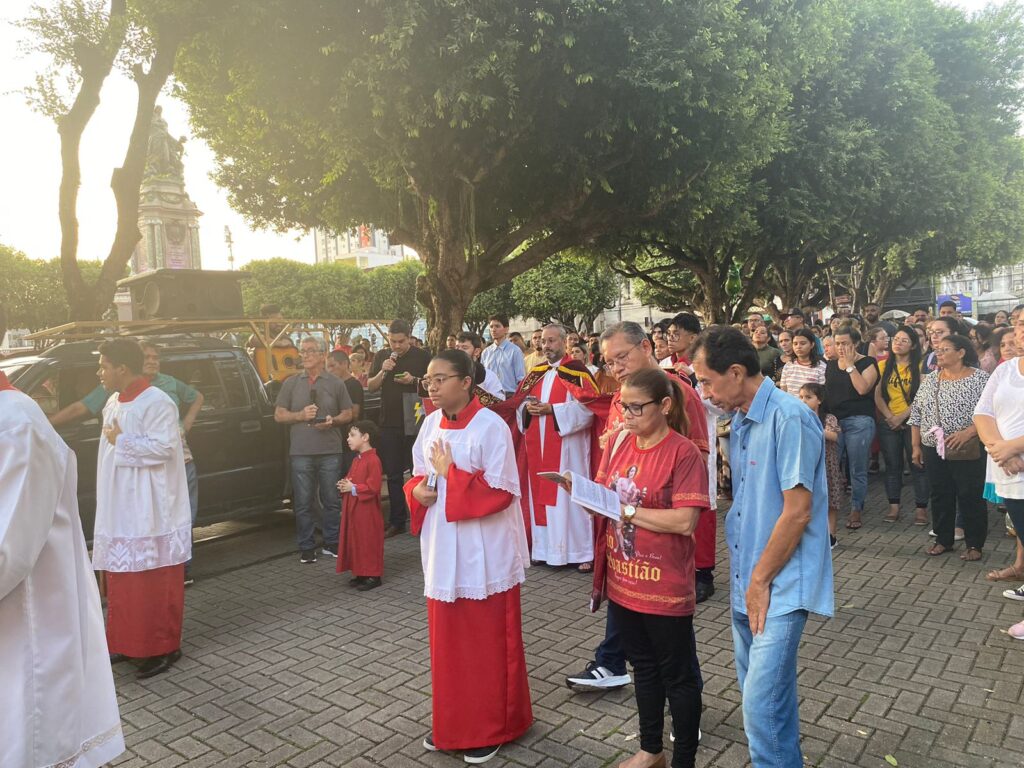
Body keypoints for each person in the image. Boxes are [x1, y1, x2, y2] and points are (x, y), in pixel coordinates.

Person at [692, 327, 833, 768]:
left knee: (759, 706)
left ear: (736, 372)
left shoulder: (789, 417)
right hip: (749, 577)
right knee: (770, 697)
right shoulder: (742, 420)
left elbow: (797, 512)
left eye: (708, 381)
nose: (704, 391)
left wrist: (759, 580)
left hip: (776, 582)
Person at [0, 307, 126, 767]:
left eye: (105, 364)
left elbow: (5, 555)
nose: (100, 371)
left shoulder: (15, 424)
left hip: (24, 641)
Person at [565, 321, 711, 693]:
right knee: (629, 615)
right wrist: (593, 494)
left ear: (645, 346)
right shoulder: (619, 396)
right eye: (610, 362)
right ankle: (613, 663)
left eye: (622, 357)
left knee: (673, 641)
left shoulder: (677, 391)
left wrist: (650, 478)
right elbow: (612, 455)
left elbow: (698, 452)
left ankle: (684, 708)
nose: (615, 368)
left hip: (659, 531)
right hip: (624, 536)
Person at [404, 350, 532, 763]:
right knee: (449, 645)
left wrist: (450, 474)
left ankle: (494, 725)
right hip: (443, 549)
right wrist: (416, 493)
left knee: (487, 644)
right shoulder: (429, 424)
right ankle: (453, 723)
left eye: (440, 379)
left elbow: (501, 491)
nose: (433, 387)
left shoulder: (491, 426)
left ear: (466, 382)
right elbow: (419, 479)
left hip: (484, 554)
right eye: (428, 380)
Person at [586, 368, 708, 768]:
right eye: (623, 406)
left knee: (679, 677)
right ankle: (651, 749)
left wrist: (628, 511)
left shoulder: (683, 452)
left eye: (636, 407)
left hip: (665, 585)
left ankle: (683, 760)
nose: (626, 415)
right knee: (643, 668)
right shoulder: (621, 442)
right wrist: (581, 492)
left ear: (666, 406)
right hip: (624, 581)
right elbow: (605, 495)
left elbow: (685, 522)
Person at [93, 338, 192, 679]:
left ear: (122, 367)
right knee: (125, 578)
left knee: (154, 577)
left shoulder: (158, 402)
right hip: (121, 504)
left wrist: (121, 441)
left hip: (152, 507)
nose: (100, 371)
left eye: (104, 365)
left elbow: (165, 447)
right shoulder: (112, 401)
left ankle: (163, 647)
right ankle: (126, 641)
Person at [513, 325, 598, 569]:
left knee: (568, 497)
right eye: (543, 342)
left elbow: (589, 409)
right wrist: (526, 409)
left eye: (552, 341)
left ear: (564, 343)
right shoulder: (536, 373)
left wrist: (553, 410)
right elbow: (519, 405)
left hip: (568, 450)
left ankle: (581, 553)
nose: (546, 346)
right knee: (541, 496)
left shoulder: (577, 371)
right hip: (537, 446)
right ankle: (545, 549)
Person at [909, 335, 989, 559]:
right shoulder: (932, 379)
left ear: (961, 352)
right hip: (933, 448)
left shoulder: (980, 379)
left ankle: (975, 544)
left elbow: (991, 413)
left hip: (967, 447)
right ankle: (943, 540)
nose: (939, 353)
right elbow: (917, 413)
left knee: (970, 495)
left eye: (945, 349)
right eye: (937, 349)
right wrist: (916, 445)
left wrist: (969, 432)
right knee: (940, 494)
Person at [275, 336, 354, 563]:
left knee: (331, 499)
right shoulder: (291, 383)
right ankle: (307, 546)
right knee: (303, 501)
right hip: (301, 451)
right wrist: (300, 415)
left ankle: (332, 543)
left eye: (311, 351)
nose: (306, 355)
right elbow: (278, 415)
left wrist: (333, 420)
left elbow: (348, 413)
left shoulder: (336, 383)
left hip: (330, 449)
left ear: (322, 354)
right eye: (303, 351)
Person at [975, 316, 1024, 636]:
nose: (1020, 331)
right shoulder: (1007, 368)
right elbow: (983, 412)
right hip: (1009, 471)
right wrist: (997, 448)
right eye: (1020, 324)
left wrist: (1012, 447)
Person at [368, 319, 432, 537]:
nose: (396, 346)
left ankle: (422, 517)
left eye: (400, 341)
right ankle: (397, 520)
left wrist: (413, 380)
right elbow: (371, 385)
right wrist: (383, 371)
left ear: (409, 337)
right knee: (393, 474)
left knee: (419, 470)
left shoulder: (423, 356)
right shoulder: (381, 357)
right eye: (392, 341)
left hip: (415, 417)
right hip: (389, 421)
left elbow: (431, 383)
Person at [825, 325, 879, 530]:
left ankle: (856, 508)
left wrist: (849, 365)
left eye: (845, 343)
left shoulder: (868, 363)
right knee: (831, 467)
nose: (840, 347)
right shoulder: (830, 365)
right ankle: (832, 509)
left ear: (856, 343)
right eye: (837, 343)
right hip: (835, 423)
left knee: (857, 468)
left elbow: (863, 388)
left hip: (859, 421)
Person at [874, 328, 929, 525]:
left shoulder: (921, 366)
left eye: (904, 340)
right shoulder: (882, 366)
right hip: (889, 422)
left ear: (913, 345)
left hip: (914, 422)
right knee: (892, 465)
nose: (898, 343)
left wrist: (902, 417)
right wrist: (890, 417)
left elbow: (923, 396)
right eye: (896, 339)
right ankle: (893, 507)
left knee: (918, 465)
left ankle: (921, 509)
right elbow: (878, 395)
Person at [336, 421, 384, 591]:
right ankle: (361, 572)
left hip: (367, 510)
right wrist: (345, 484)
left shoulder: (373, 460)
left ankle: (373, 574)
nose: (348, 439)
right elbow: (353, 479)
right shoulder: (358, 459)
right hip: (356, 509)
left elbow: (374, 487)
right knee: (358, 539)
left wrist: (353, 488)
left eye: (352, 435)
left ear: (365, 437)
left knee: (368, 540)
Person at [798, 383, 842, 548]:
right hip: (808, 465)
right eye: (801, 397)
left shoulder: (828, 418)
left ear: (820, 400)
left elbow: (834, 436)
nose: (803, 401)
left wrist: (814, 427)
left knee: (831, 500)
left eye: (808, 397)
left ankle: (831, 535)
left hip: (827, 465)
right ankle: (811, 534)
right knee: (809, 500)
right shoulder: (798, 417)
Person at [326, 349, 365, 473]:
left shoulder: (353, 385)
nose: (330, 370)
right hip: (333, 440)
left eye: (333, 365)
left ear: (344, 364)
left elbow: (354, 413)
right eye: (328, 367)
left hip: (348, 441)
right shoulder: (331, 385)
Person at [481, 314, 526, 397]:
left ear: (506, 329)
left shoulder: (515, 351)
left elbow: (521, 379)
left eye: (497, 326)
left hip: (509, 396)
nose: (493, 330)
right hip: (489, 397)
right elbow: (483, 378)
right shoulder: (486, 353)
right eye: (491, 327)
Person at [456, 331, 505, 399]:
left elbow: (499, 403)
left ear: (476, 351)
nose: (459, 351)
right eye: (457, 347)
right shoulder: (448, 374)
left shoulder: (489, 376)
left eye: (464, 348)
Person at [778, 328, 826, 396]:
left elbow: (821, 394)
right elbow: (783, 392)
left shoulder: (821, 367)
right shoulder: (788, 366)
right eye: (795, 344)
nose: (798, 347)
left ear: (812, 345)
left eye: (803, 343)